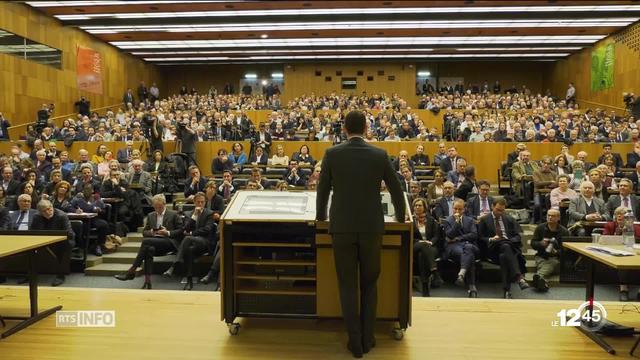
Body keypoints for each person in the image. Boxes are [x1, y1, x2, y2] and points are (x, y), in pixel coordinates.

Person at [316, 110, 405, 358]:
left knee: (346, 285)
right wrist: (399, 216)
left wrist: (321, 217)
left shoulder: (332, 154)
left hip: (342, 226)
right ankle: (369, 338)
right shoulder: (379, 154)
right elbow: (397, 189)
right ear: (366, 128)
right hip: (371, 227)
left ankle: (354, 342)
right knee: (369, 283)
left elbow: (322, 189)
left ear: (344, 129)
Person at [114, 194, 183, 289]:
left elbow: (180, 231)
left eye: (160, 207)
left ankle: (131, 271)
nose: (158, 209)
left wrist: (167, 232)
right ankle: (147, 281)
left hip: (169, 242)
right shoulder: (151, 216)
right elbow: (144, 232)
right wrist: (150, 232)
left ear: (164, 204)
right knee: (148, 249)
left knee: (146, 242)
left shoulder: (173, 214)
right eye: (155, 207)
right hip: (154, 241)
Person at [163, 192, 216, 290]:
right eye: (198, 202)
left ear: (205, 202)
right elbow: (185, 229)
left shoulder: (209, 213)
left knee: (187, 238)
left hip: (204, 242)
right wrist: (194, 216)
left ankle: (175, 264)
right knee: (189, 250)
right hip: (192, 243)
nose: (200, 204)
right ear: (194, 202)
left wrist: (192, 233)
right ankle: (189, 280)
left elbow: (207, 229)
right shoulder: (188, 214)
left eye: (202, 202)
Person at [478, 198, 529, 299]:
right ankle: (519, 277)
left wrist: (509, 240)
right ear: (492, 207)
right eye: (498, 210)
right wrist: (491, 239)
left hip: (507, 247)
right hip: (493, 250)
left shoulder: (509, 219)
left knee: (504, 255)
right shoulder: (484, 220)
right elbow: (479, 237)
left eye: (502, 210)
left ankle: (507, 291)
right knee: (505, 248)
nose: (500, 213)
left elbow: (517, 236)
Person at [30, 199, 75, 286]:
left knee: (65, 245)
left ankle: (60, 275)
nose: (48, 212)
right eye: (44, 211)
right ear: (40, 212)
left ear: (52, 207)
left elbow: (69, 234)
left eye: (49, 209)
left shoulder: (62, 216)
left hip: (62, 241)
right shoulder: (37, 217)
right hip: (44, 240)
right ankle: (30, 273)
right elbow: (33, 232)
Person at [443, 199, 480, 298]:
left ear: (464, 209)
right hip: (453, 247)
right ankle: (471, 285)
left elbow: (474, 235)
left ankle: (462, 274)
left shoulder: (470, 220)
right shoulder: (447, 221)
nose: (457, 211)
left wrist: (459, 238)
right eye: (455, 208)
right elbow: (449, 235)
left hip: (468, 245)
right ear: (452, 208)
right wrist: (456, 222)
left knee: (468, 248)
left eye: (460, 209)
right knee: (469, 254)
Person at [603, 206, 640, 301]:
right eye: (617, 214)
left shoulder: (635, 227)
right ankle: (624, 290)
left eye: (622, 214)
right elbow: (605, 240)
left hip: (633, 252)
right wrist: (617, 233)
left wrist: (629, 231)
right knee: (622, 263)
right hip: (615, 253)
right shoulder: (610, 225)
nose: (619, 216)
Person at [529, 208, 570, 292]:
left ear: (558, 218)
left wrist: (556, 252)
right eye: (548, 215)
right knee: (543, 262)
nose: (550, 217)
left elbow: (567, 250)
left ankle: (539, 277)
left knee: (552, 262)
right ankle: (542, 281)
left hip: (556, 258)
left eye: (553, 216)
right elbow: (533, 244)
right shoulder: (540, 228)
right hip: (541, 255)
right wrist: (541, 244)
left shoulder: (564, 232)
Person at [411, 198, 442, 297]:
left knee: (422, 255)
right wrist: (421, 242)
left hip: (430, 247)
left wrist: (431, 242)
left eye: (420, 205)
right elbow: (410, 236)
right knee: (423, 247)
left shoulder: (431, 220)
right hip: (415, 245)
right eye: (416, 205)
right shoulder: (410, 220)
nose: (417, 207)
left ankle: (425, 286)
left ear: (424, 207)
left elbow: (436, 236)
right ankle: (435, 272)